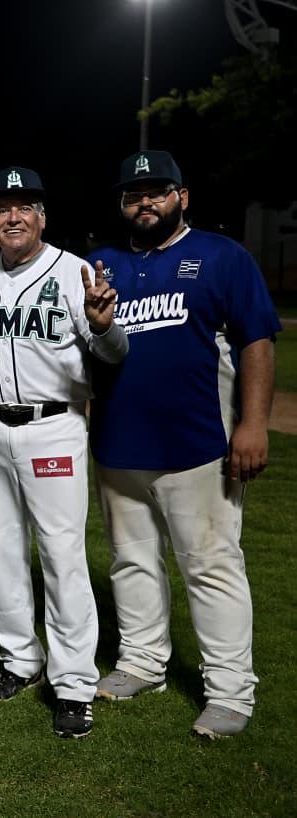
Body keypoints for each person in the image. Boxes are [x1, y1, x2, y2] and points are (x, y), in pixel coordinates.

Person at [87, 150, 279, 739]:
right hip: (119, 445)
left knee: (212, 566)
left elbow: (256, 340)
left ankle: (229, 690)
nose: (145, 202)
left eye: (158, 191)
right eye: (133, 194)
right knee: (131, 560)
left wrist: (252, 423)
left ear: (182, 197)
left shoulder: (222, 256)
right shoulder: (101, 263)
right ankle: (143, 661)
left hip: (200, 444)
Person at [0, 166, 128, 739]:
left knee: (61, 555)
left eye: (25, 206)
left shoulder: (74, 272)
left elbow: (113, 352)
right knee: (2, 548)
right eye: (3, 207)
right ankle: (19, 660)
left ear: (42, 218)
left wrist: (104, 327)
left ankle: (75, 682)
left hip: (53, 426)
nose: (14, 216)